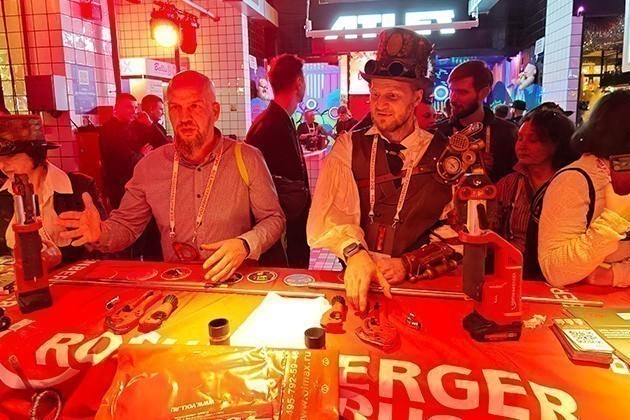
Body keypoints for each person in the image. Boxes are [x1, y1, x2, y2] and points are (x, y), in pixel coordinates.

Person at [57, 71, 286, 282]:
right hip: (178, 284)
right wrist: (100, 232)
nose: (184, 117)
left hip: (235, 282)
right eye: (176, 108)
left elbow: (274, 218)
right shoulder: (150, 166)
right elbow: (126, 225)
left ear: (214, 111)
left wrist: (245, 244)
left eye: (195, 106)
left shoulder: (246, 157)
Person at [308, 28, 453, 311]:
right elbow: (330, 217)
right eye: (375, 95)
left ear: (416, 98)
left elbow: (463, 232)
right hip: (358, 283)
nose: (380, 106)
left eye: (392, 96)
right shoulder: (348, 146)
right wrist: (355, 253)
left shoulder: (447, 155)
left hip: (421, 288)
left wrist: (409, 263)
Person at [538, 90, 630, 288]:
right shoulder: (575, 180)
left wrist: (615, 275)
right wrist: (611, 222)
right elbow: (555, 270)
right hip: (582, 302)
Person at [0, 115, 106, 268]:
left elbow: (100, 245)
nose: (2, 166)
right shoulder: (3, 196)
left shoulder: (78, 187)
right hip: (18, 280)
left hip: (73, 277)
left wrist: (58, 259)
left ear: (35, 153)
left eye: (10, 156)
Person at [494, 109, 578, 276]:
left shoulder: (572, 183)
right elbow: (490, 228)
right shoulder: (508, 183)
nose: (522, 145)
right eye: (519, 138)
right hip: (512, 269)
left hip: (557, 270)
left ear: (556, 145)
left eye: (533, 140)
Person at [247, 54, 310, 268]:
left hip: (287, 230)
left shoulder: (276, 121)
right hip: (282, 235)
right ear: (298, 82)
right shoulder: (271, 126)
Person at [436, 60, 518, 183]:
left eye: (462, 92)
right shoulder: (439, 132)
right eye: (452, 91)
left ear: (483, 93)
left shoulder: (508, 133)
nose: (453, 99)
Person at [100, 93, 152, 210]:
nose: (133, 111)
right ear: (117, 108)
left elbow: (157, 143)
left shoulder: (130, 127)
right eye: (129, 107)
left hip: (131, 184)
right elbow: (126, 159)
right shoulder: (110, 129)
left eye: (135, 108)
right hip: (118, 186)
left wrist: (149, 124)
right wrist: (143, 155)